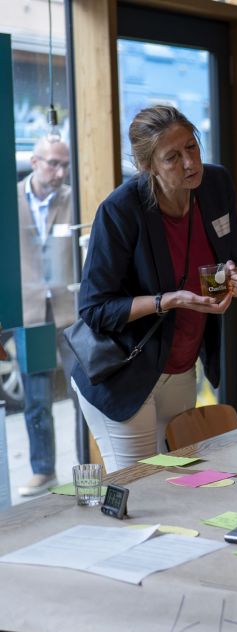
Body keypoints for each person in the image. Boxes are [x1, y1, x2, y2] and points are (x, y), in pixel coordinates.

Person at [70, 105, 237, 472]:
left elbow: (231, 255)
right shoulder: (121, 210)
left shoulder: (216, 185)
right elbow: (95, 309)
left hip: (181, 365)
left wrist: (236, 276)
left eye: (191, 147)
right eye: (172, 157)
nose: (189, 163)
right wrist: (167, 301)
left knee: (181, 479)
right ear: (148, 165)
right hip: (124, 372)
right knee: (139, 489)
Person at [16, 137, 75, 495]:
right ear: (36, 162)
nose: (60, 172)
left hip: (70, 308)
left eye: (65, 165)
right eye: (53, 163)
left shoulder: (74, 198)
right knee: (36, 397)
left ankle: (92, 463)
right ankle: (44, 470)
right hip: (31, 310)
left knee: (83, 389)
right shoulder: (9, 200)